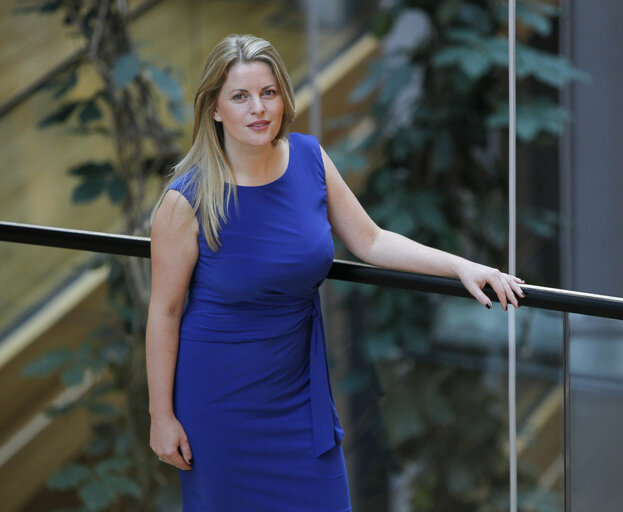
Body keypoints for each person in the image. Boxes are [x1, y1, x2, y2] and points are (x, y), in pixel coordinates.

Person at [145, 34, 525, 511]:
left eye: (268, 93)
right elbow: (165, 310)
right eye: (240, 97)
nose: (258, 109)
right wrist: (161, 416)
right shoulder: (186, 201)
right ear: (216, 110)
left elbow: (370, 240)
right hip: (220, 406)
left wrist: (460, 266)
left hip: (297, 398)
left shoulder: (308, 159)